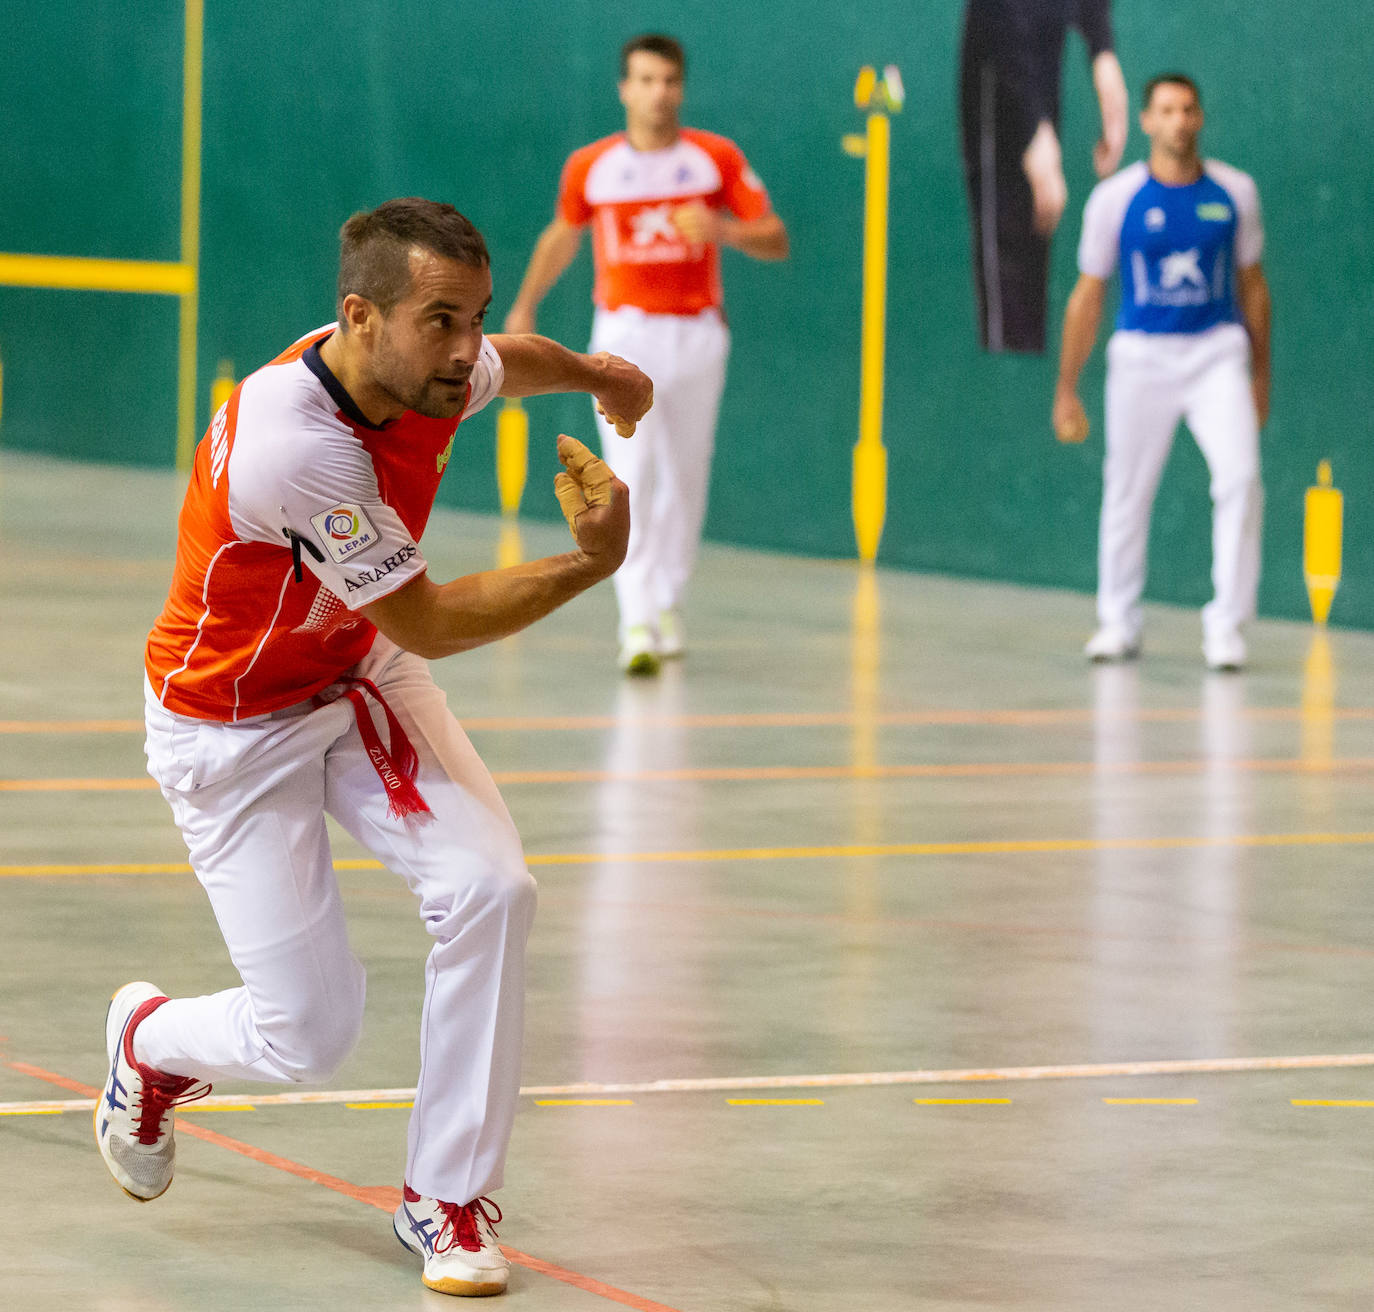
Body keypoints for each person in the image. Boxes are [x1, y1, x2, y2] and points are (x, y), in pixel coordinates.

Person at [94, 198, 651, 1299]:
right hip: (230, 729)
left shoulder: (428, 366)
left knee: (494, 886)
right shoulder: (298, 446)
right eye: (443, 322)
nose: (466, 349)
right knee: (311, 1032)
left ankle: (444, 1197)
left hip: (352, 676)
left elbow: (514, 362)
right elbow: (432, 621)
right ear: (359, 314)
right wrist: (590, 565)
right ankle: (153, 1043)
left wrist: (600, 375)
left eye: (473, 318)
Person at [504, 33, 788, 675]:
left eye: (668, 81)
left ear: (680, 88)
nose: (658, 93)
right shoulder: (592, 166)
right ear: (624, 88)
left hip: (696, 334)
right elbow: (564, 233)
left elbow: (775, 238)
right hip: (624, 334)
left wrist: (721, 229)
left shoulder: (715, 159)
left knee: (685, 477)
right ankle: (634, 617)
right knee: (629, 470)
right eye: (645, 80)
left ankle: (666, 602)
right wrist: (526, 305)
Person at [1053, 74, 1271, 670]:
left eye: (1189, 110)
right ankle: (1118, 623)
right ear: (1147, 122)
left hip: (1216, 355)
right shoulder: (1115, 199)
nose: (1179, 120)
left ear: (1200, 119)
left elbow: (1253, 288)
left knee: (1241, 479)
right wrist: (1067, 387)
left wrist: (1260, 376)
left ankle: (1227, 626)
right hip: (1141, 357)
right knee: (1126, 491)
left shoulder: (1236, 192)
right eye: (1167, 110)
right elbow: (1087, 296)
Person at [959, 0, 1128, 353]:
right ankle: (1004, 382)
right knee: (1010, 262)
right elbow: (999, 15)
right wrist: (1032, 127)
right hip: (1000, 61)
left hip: (1044, 48)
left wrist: (1103, 52)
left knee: (1037, 238)